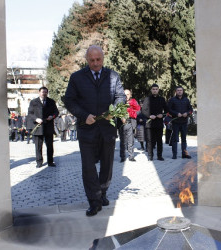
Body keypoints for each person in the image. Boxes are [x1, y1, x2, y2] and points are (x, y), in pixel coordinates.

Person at [64, 45, 126, 217]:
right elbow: (69, 100)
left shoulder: (113, 76)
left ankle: (102, 193)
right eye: (92, 60)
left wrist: (113, 111)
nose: (95, 63)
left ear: (103, 58)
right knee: (88, 167)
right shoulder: (77, 78)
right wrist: (84, 115)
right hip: (87, 129)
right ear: (87, 60)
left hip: (107, 129)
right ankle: (94, 201)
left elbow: (121, 96)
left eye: (98, 59)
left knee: (107, 165)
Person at [27, 86, 59, 168]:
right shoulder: (33, 102)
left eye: (45, 92)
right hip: (38, 127)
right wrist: (36, 119)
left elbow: (56, 112)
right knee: (38, 146)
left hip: (48, 126)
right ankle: (39, 162)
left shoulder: (51, 101)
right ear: (39, 92)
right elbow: (30, 113)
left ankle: (50, 161)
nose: (44, 93)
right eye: (42, 92)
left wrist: (52, 116)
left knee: (50, 146)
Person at [142, 83, 168, 161]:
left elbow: (166, 110)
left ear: (158, 90)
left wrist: (162, 115)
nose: (155, 90)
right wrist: (149, 116)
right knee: (150, 141)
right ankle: (150, 156)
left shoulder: (162, 99)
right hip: (150, 124)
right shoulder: (147, 99)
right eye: (153, 89)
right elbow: (143, 110)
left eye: (156, 89)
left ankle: (159, 156)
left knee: (159, 140)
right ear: (151, 90)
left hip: (159, 123)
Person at [168, 86, 193, 159]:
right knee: (175, 139)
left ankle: (184, 154)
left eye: (181, 90)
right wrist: (176, 113)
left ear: (183, 91)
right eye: (178, 90)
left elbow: (190, 109)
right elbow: (169, 109)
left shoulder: (186, 100)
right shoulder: (172, 100)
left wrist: (187, 113)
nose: (179, 91)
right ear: (176, 91)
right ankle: (174, 155)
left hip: (184, 122)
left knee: (184, 139)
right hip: (175, 122)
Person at [118, 89, 140, 162]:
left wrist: (131, 113)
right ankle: (122, 156)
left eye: (128, 94)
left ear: (130, 95)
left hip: (130, 123)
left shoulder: (133, 101)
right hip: (121, 124)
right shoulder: (119, 102)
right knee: (122, 141)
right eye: (125, 94)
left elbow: (138, 111)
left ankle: (131, 156)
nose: (126, 96)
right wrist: (121, 117)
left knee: (131, 141)